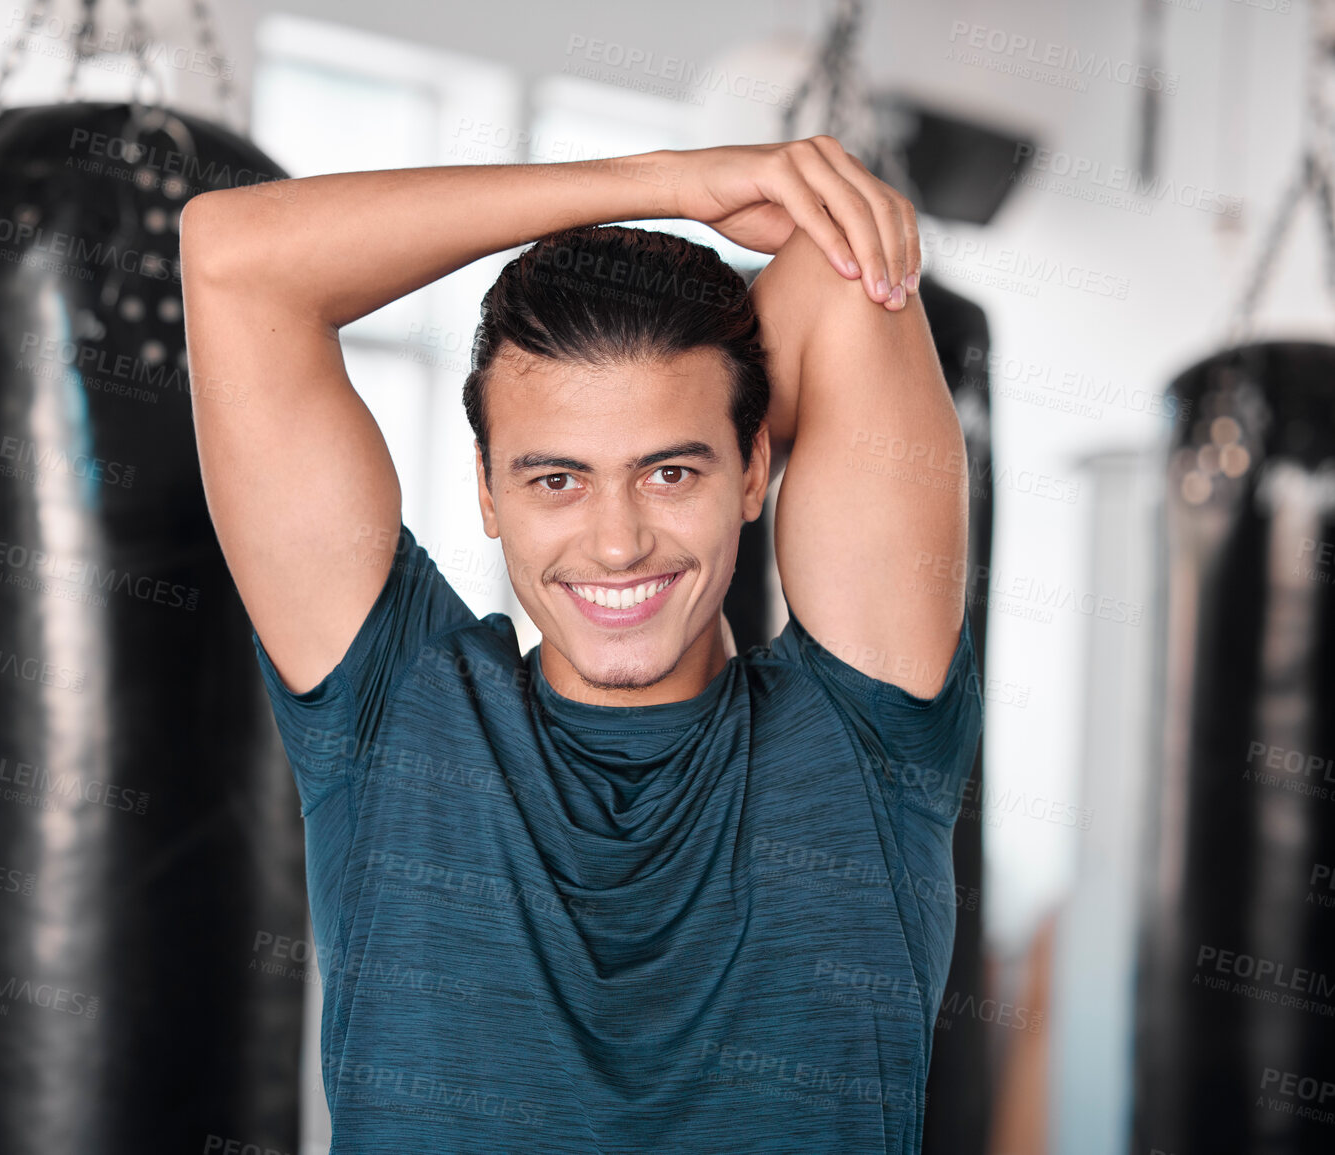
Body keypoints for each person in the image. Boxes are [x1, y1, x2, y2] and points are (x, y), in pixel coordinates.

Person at [180, 136, 982, 1154]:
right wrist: (664, 186)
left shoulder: (865, 738)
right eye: (556, 478)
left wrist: (685, 336)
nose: (616, 542)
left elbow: (840, 271)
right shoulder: (396, 712)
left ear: (753, 472)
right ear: (487, 491)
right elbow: (231, 257)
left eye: (670, 474)